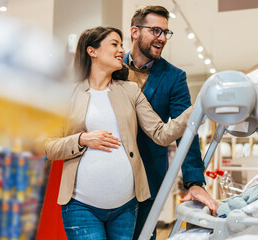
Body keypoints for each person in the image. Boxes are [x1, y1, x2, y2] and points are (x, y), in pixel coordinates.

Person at [45, 26, 194, 240]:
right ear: (92, 51)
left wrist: (197, 109)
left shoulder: (130, 90)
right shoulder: (67, 93)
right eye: (114, 44)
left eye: (121, 45)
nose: (121, 50)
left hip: (126, 207)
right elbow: (48, 146)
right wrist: (81, 138)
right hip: (80, 206)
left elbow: (161, 133)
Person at [124, 6, 219, 239]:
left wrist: (194, 181)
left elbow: (186, 129)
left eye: (166, 32)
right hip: (111, 170)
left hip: (150, 174)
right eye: (156, 30)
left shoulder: (174, 76)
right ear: (135, 31)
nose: (163, 38)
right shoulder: (113, 68)